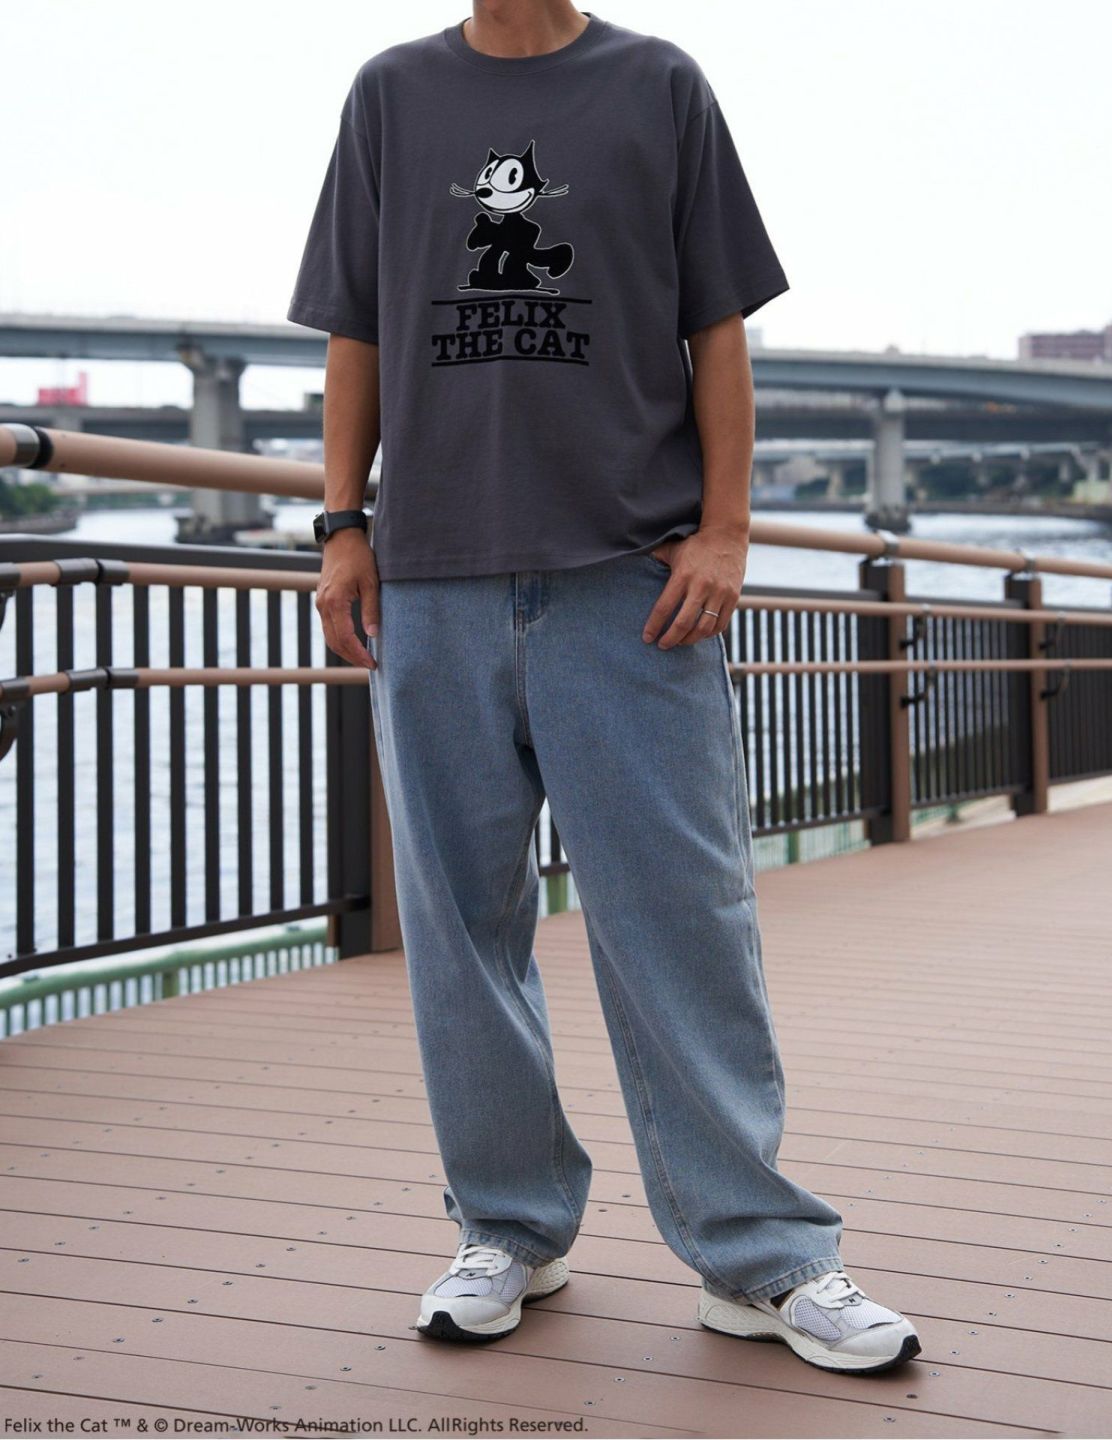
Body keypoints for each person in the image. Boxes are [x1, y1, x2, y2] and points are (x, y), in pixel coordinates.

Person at [288, 0, 920, 1375]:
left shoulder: (658, 84)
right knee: (461, 928)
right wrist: (340, 524)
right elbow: (356, 329)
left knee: (683, 917)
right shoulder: (390, 95)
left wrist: (727, 529)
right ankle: (509, 1227)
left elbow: (718, 326)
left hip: (629, 581)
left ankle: (759, 1253)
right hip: (435, 579)